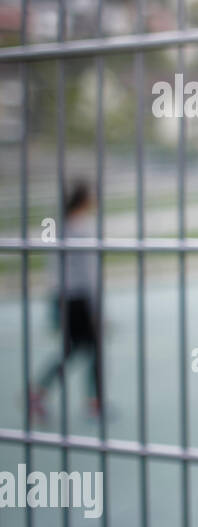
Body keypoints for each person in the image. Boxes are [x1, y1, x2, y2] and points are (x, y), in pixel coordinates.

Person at [30, 180, 104, 422]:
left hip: (61, 296)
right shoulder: (81, 228)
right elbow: (89, 272)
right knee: (89, 348)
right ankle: (92, 402)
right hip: (79, 298)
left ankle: (41, 393)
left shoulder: (60, 227)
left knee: (77, 348)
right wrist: (95, 307)